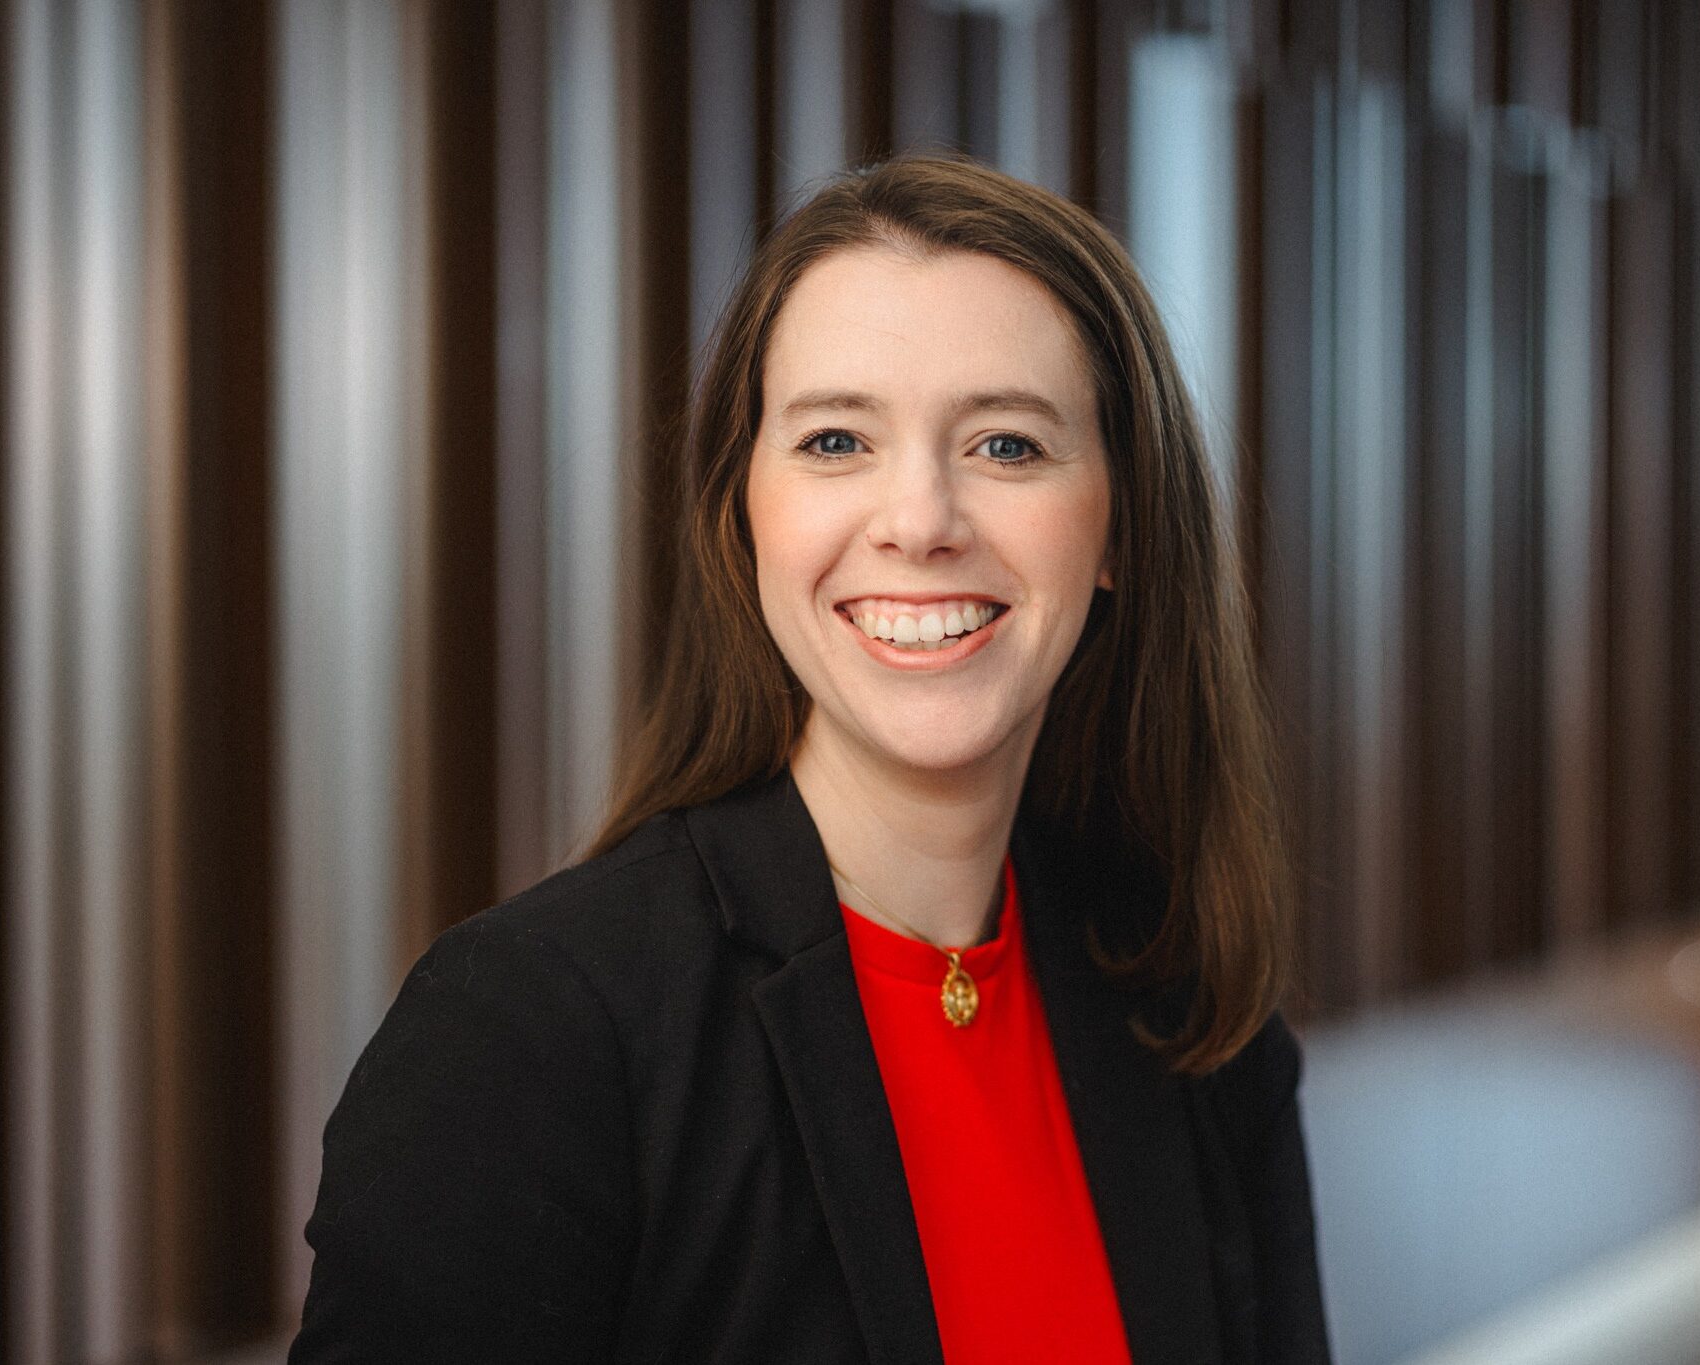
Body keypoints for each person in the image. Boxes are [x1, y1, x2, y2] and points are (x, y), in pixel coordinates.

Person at [288, 152, 1331, 1364]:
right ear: (744, 515)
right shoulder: (530, 1035)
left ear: (1120, 526)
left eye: (1005, 445)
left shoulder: (1190, 1016)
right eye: (837, 441)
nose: (919, 521)